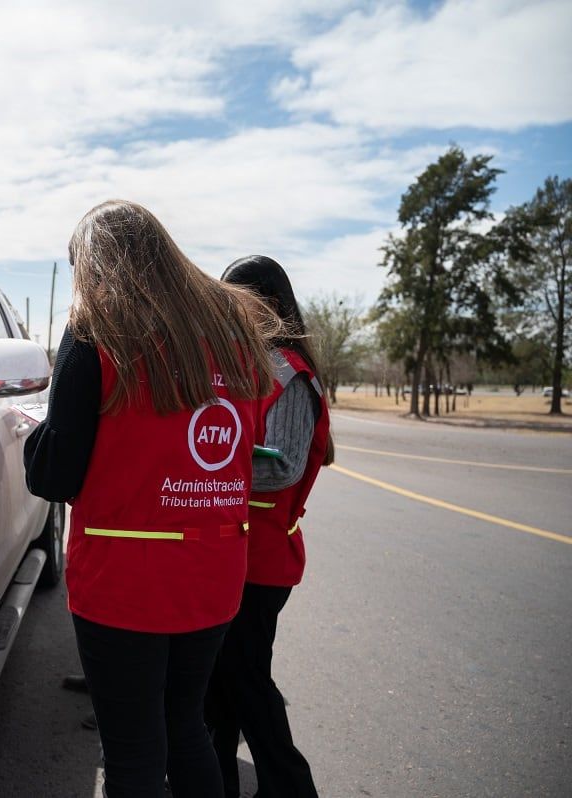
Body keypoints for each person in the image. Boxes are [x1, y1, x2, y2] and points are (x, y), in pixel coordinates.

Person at [24, 200, 279, 798]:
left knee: (134, 753)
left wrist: (36, 436)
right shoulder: (231, 324)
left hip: (124, 582)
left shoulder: (98, 327)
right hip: (213, 575)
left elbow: (56, 476)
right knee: (185, 727)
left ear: (93, 264)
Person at [207, 255, 334, 798]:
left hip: (263, 560)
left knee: (244, 681)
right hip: (240, 554)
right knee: (223, 685)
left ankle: (289, 785)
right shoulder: (257, 363)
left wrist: (206, 470)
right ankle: (215, 780)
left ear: (262, 303)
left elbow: (282, 464)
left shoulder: (287, 371)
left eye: (235, 302)